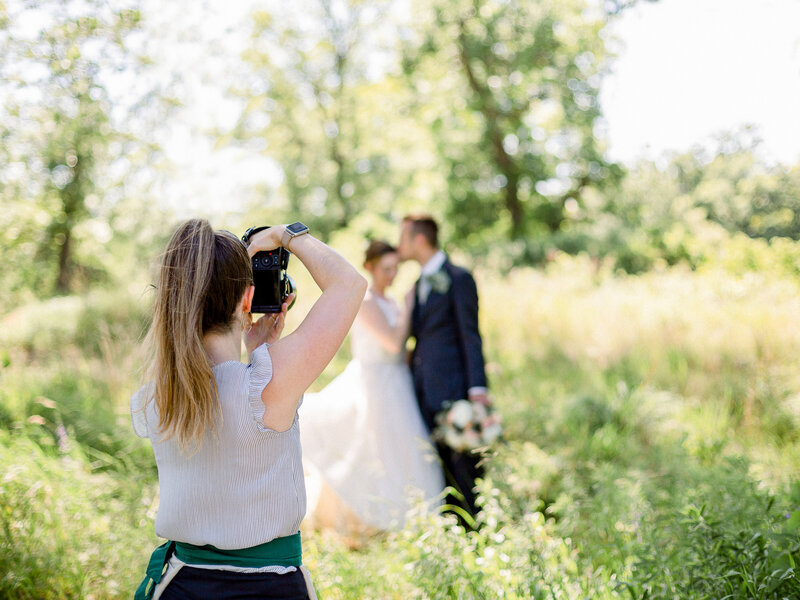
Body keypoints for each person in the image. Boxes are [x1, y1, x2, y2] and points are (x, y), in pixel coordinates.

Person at [130, 219, 366, 600]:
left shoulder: (156, 395)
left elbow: (214, 384)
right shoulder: (266, 386)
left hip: (179, 585)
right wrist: (286, 234)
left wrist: (251, 349)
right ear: (247, 300)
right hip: (267, 588)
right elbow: (350, 284)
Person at [300, 240, 444, 536]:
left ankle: (410, 517)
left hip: (397, 381)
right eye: (386, 269)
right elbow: (392, 342)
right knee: (373, 451)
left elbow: (400, 351)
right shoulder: (365, 302)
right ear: (370, 267)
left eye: (395, 269)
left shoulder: (389, 302)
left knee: (402, 451)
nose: (391, 275)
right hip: (374, 383)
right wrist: (407, 308)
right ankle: (369, 521)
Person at [397, 215, 489, 524]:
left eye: (403, 238)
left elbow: (470, 335)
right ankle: (451, 530)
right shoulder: (417, 284)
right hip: (422, 388)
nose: (399, 245)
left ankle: (477, 530)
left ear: (419, 240)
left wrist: (477, 390)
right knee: (436, 466)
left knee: (465, 465)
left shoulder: (458, 277)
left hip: (454, 387)